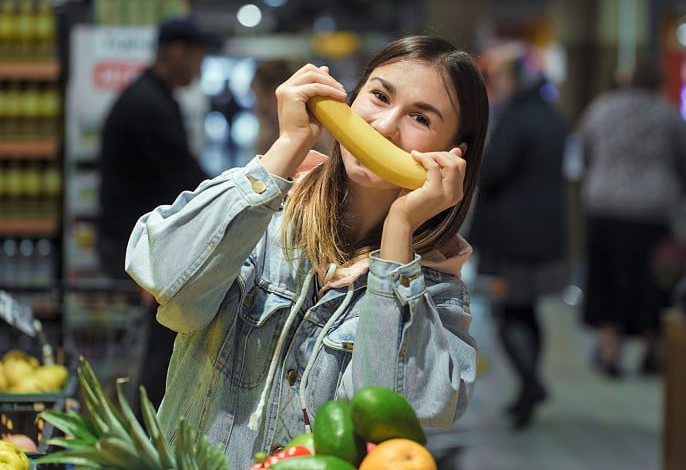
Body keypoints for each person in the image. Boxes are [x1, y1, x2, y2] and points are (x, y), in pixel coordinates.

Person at [125, 34, 489, 469]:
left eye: (420, 118)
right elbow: (168, 285)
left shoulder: (435, 294)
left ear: (451, 153)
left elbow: (391, 418)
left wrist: (400, 232)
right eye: (379, 96)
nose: (385, 126)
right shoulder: (263, 214)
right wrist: (286, 148)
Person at [97, 16, 222, 414]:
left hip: (142, 241)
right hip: (134, 248)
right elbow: (182, 177)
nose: (201, 69)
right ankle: (151, 430)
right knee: (163, 342)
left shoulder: (154, 95)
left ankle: (153, 423)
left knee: (164, 340)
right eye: (198, 57)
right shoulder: (147, 103)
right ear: (177, 52)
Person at [467, 45, 570, 429]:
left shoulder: (516, 119)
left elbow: (493, 171)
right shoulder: (551, 116)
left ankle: (530, 385)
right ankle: (530, 386)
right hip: (545, 233)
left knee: (508, 312)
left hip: (509, 237)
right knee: (527, 311)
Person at [576, 57, 686, 378]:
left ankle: (611, 352)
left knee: (606, 279)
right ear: (658, 83)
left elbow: (584, 151)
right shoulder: (668, 114)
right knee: (653, 282)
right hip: (653, 210)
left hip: (605, 206)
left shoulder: (602, 109)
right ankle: (650, 351)